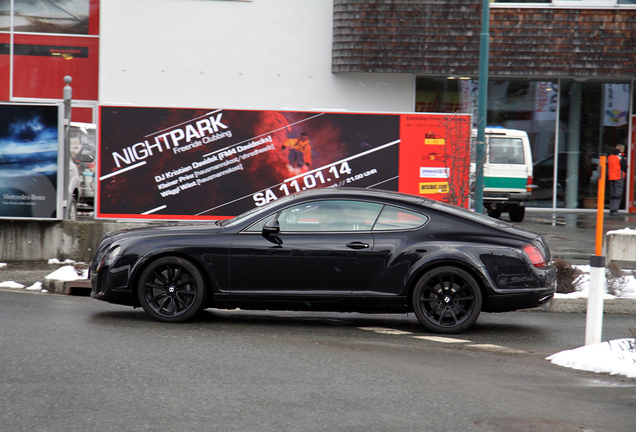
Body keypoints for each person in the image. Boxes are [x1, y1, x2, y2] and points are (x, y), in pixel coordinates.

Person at [608, 143, 628, 215]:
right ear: (621, 149)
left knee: (612, 193)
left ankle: (611, 208)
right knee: (618, 194)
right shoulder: (620, 156)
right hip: (619, 176)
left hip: (611, 176)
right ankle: (614, 209)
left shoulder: (610, 156)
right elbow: (624, 167)